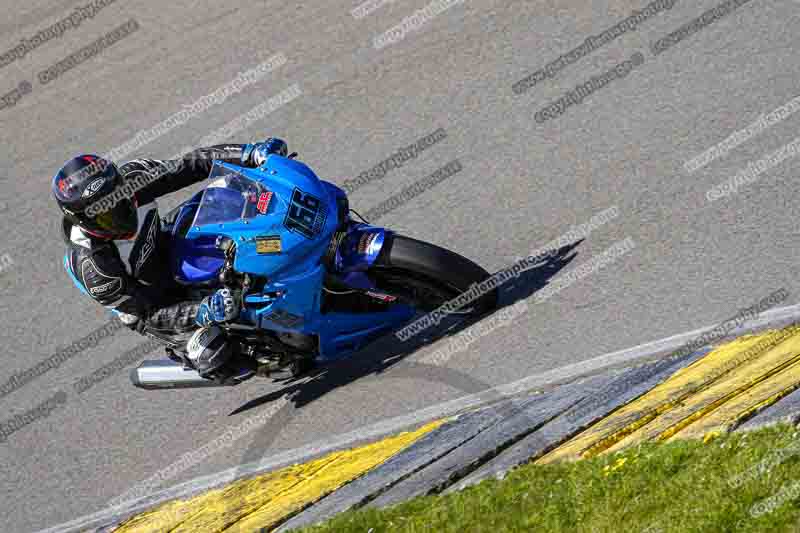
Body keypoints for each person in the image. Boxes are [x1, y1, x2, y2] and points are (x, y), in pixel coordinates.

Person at [53, 138, 290, 384]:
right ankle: (268, 357)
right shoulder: (96, 267)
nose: (120, 217)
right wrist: (203, 311)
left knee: (234, 190)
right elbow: (149, 312)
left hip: (164, 240)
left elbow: (191, 164)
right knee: (213, 352)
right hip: (157, 301)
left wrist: (250, 154)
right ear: (84, 221)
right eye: (106, 218)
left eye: (119, 200)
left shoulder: (135, 176)